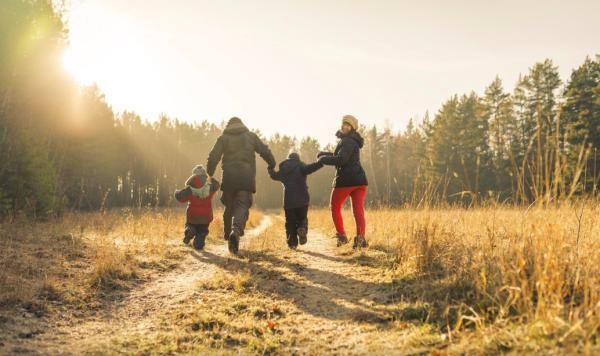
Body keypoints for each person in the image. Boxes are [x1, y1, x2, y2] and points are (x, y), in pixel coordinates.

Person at [206, 117, 276, 254]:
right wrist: (272, 164)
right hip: (245, 178)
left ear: (228, 126)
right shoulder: (250, 136)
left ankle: (228, 235)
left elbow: (213, 156)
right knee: (242, 206)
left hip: (229, 179)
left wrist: (210, 173)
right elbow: (264, 150)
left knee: (229, 206)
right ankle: (235, 231)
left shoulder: (223, 138)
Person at [318, 115, 369, 249]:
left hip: (346, 180)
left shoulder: (347, 141)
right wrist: (326, 154)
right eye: (343, 124)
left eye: (348, 125)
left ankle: (342, 236)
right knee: (358, 210)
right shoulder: (352, 141)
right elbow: (342, 156)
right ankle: (360, 238)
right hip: (360, 181)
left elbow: (342, 160)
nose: (345, 126)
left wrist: (324, 160)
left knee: (334, 207)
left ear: (352, 128)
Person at [268, 152, 323, 249]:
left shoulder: (283, 169)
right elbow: (311, 168)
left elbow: (273, 175)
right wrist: (320, 163)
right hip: (303, 199)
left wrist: (270, 168)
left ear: (288, 159)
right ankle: (302, 228)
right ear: (297, 159)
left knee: (290, 222)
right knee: (302, 218)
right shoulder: (301, 166)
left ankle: (292, 243)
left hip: (289, 201)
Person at [174, 165, 220, 250]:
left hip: (192, 215)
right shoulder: (210, 186)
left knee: (190, 225)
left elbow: (181, 197)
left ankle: (190, 230)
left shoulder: (190, 187)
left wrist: (176, 193)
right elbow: (217, 185)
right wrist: (209, 177)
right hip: (206, 215)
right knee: (202, 231)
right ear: (204, 174)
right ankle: (198, 245)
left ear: (193, 174)